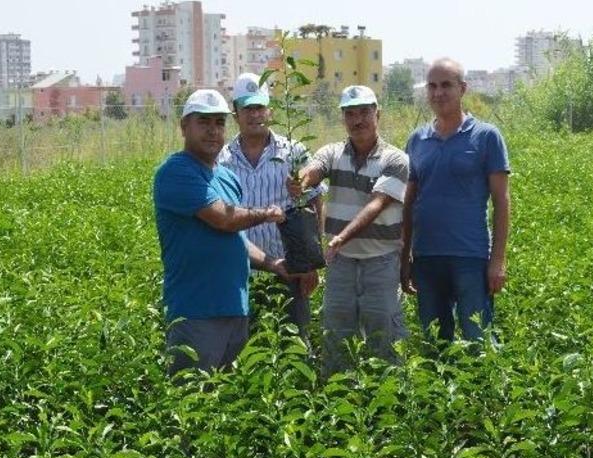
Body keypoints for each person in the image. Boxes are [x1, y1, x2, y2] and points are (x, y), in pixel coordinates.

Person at [153, 88, 291, 376]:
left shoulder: (227, 177)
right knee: (192, 403)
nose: (213, 131)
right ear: (184, 127)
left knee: (227, 404)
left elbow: (236, 238)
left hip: (234, 308)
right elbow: (223, 220)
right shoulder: (175, 171)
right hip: (195, 311)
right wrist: (266, 214)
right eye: (203, 122)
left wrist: (273, 264)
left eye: (219, 122)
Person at [288, 85, 408, 376]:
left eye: (365, 112)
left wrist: (341, 236)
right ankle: (338, 405)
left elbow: (376, 204)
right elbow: (315, 168)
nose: (358, 120)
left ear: (377, 114)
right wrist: (301, 181)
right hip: (341, 262)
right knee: (337, 334)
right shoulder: (333, 153)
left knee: (384, 335)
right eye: (350, 114)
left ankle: (390, 405)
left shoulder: (396, 160)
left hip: (380, 261)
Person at [401, 58, 511, 343]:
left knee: (479, 340)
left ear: (463, 89)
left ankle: (486, 389)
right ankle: (440, 388)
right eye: (432, 86)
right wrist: (405, 258)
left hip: (470, 257)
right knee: (435, 341)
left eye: (446, 85)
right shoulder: (417, 140)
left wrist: (497, 261)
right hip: (426, 258)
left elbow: (501, 201)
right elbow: (408, 203)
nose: (438, 93)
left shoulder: (486, 136)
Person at [218, 73, 323, 341]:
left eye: (260, 107)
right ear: (235, 114)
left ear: (270, 111)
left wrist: (310, 263)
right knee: (245, 347)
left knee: (296, 345)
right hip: (240, 272)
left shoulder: (293, 152)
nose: (255, 115)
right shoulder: (223, 159)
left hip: (289, 269)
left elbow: (314, 202)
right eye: (248, 108)